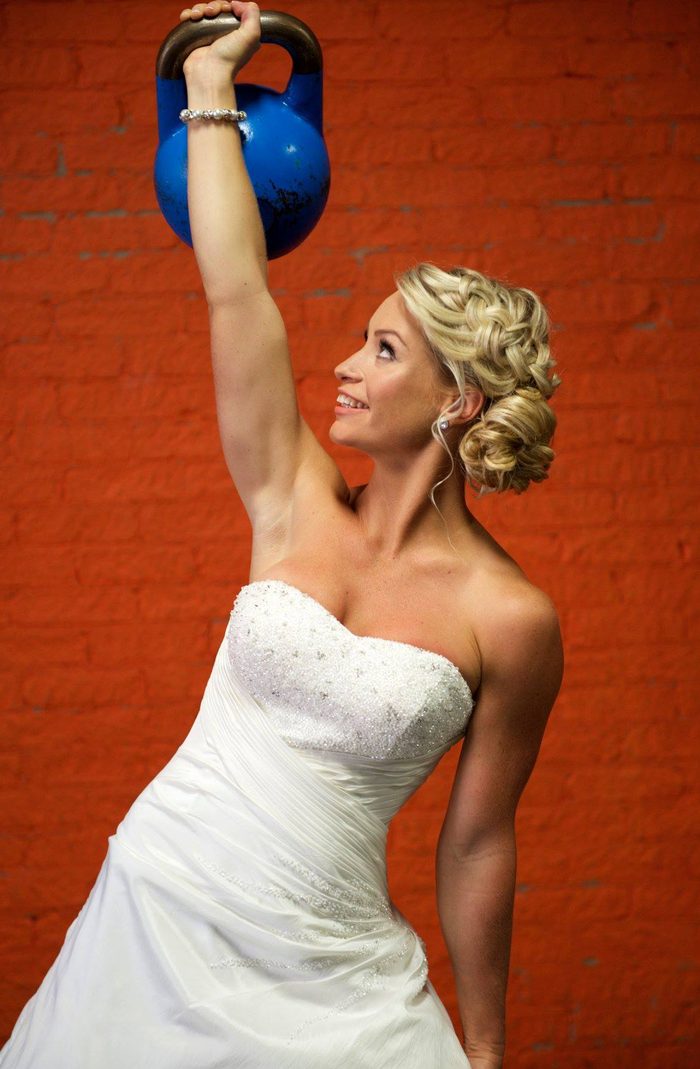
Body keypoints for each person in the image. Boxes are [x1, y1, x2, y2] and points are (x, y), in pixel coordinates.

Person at [0, 2, 564, 1067]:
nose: (346, 365)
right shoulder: (291, 496)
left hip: (334, 978)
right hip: (157, 917)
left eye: (384, 349)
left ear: (458, 400)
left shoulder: (512, 618)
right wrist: (210, 91)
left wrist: (487, 1050)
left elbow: (479, 838)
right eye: (359, 339)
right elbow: (234, 287)